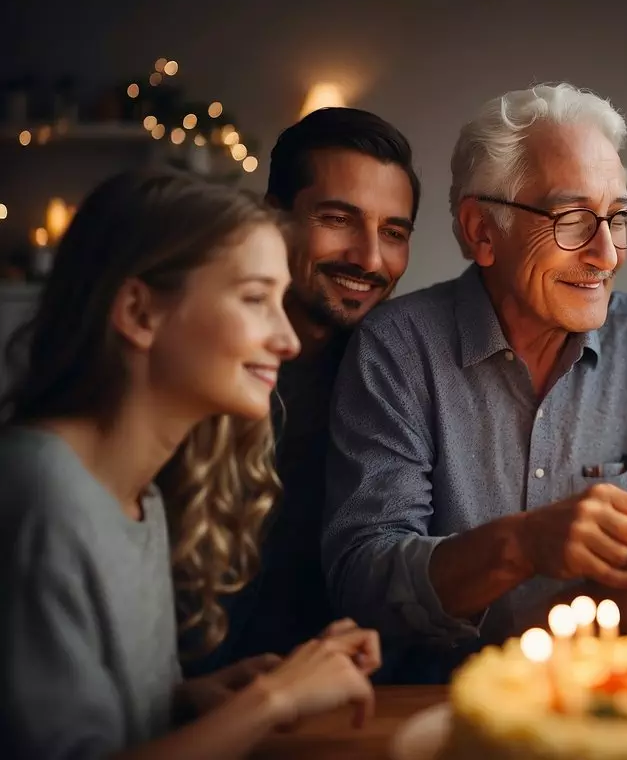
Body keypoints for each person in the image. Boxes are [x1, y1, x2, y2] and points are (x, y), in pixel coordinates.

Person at [322, 83, 627, 679]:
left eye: (619, 218)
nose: (607, 253)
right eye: (574, 218)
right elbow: (361, 580)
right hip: (432, 713)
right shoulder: (396, 348)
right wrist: (521, 546)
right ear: (480, 231)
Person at [0, 169, 381, 758]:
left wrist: (189, 698)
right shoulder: (39, 491)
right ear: (139, 313)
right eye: (255, 299)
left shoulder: (138, 496)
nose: (287, 340)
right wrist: (271, 701)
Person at [186, 107, 420, 675]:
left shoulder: (395, 380)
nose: (369, 258)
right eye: (339, 219)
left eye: (394, 232)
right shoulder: (194, 358)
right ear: (275, 220)